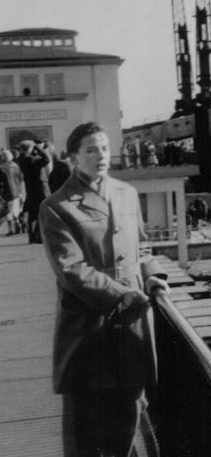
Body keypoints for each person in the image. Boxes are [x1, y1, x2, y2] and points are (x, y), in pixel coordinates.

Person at [38, 121, 170, 457]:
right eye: (91, 149)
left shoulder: (126, 193)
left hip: (131, 331)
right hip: (88, 333)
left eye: (105, 148)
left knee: (126, 423)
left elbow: (142, 248)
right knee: (85, 435)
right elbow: (71, 269)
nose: (101, 155)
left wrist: (152, 275)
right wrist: (119, 293)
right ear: (72, 158)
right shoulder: (57, 206)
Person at [0, 149, 25, 235]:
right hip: (17, 190)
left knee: (7, 210)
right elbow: (20, 178)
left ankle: (10, 229)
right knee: (16, 208)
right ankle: (17, 221)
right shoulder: (16, 165)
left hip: (6, 191)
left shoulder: (1, 167)